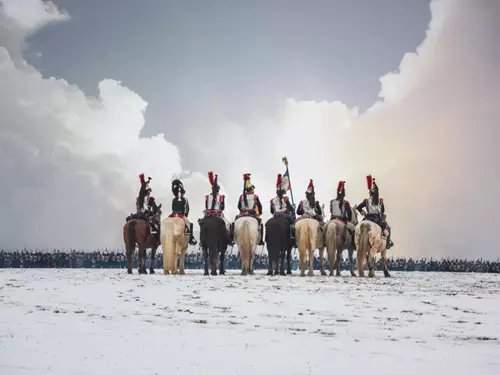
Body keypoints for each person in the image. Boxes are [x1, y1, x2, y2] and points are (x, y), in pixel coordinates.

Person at [356, 175, 394, 249]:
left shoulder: (366, 201)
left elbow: (358, 207)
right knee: (388, 228)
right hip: (377, 218)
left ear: (369, 194)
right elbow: (383, 210)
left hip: (367, 218)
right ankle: (388, 243)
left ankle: (354, 242)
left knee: (358, 228)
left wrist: (363, 213)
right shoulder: (380, 201)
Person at [231, 173, 264, 245]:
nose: (253, 190)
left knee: (233, 223)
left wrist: (242, 211)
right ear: (251, 189)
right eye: (252, 188)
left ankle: (232, 238)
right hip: (252, 214)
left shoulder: (241, 196)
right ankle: (261, 240)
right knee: (260, 224)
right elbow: (260, 206)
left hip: (242, 214)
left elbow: (239, 206)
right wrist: (260, 213)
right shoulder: (255, 196)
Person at [199, 171, 230, 247]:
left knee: (202, 224)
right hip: (218, 215)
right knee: (228, 225)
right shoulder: (221, 197)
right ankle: (228, 240)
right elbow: (222, 208)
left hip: (208, 215)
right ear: (218, 190)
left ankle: (202, 240)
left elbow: (206, 207)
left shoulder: (207, 197)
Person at [169, 179, 197, 246]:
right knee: (190, 224)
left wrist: (174, 213)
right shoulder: (185, 199)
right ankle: (191, 239)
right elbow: (187, 209)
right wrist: (185, 215)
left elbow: (172, 208)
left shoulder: (174, 199)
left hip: (174, 215)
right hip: (182, 215)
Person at [330, 180, 356, 249]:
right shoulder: (345, 202)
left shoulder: (332, 201)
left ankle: (325, 242)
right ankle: (354, 245)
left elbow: (331, 211)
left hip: (332, 220)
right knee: (354, 229)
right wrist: (349, 221)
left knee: (324, 230)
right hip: (342, 221)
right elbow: (349, 213)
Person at [270, 173, 296, 241]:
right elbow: (291, 209)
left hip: (276, 216)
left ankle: (267, 238)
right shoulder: (285, 199)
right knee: (293, 224)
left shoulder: (272, 200)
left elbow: (271, 211)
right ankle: (293, 236)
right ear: (283, 192)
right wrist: (293, 208)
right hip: (285, 216)